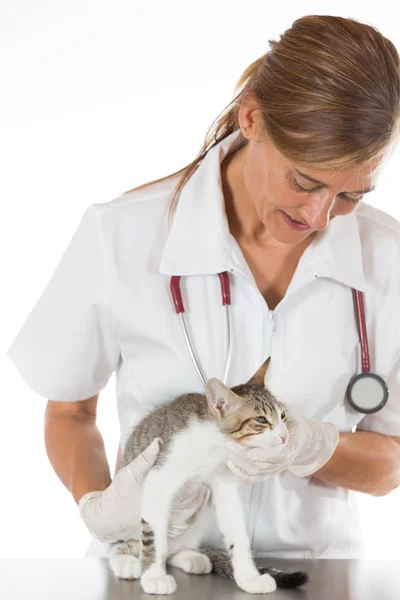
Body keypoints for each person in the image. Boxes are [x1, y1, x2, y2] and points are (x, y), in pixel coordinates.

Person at [6, 14, 400, 560]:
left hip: (313, 580)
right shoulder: (123, 233)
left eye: (351, 195)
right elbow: (69, 414)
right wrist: (100, 502)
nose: (319, 216)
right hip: (154, 567)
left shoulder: (389, 259)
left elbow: (390, 466)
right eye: (304, 181)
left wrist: (310, 447)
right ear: (252, 116)